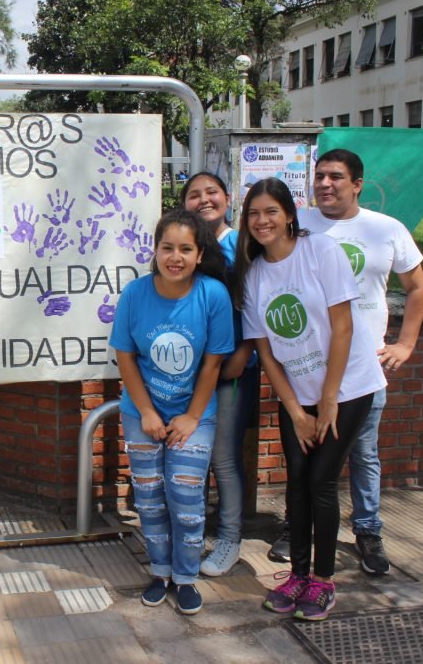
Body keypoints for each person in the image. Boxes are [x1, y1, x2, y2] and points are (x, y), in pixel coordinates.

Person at [235, 178, 386, 621]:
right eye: (253, 214)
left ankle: (323, 581)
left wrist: (329, 398)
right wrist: (296, 411)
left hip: (349, 387)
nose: (262, 221)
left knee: (321, 480)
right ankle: (298, 575)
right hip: (298, 396)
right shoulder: (254, 274)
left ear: (289, 215)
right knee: (297, 481)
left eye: (271, 211)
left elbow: (343, 327)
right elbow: (266, 352)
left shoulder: (320, 251)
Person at [295, 148, 423, 575]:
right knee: (307, 455)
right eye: (319, 176)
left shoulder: (385, 229)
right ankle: (298, 528)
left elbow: (417, 287)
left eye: (335, 176)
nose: (324, 184)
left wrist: (405, 344)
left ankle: (368, 530)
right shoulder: (299, 224)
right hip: (308, 366)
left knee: (363, 454)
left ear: (357, 184)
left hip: (362, 370)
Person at [109, 209, 234, 616]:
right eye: (167, 248)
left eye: (185, 249)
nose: (175, 257)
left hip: (193, 414)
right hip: (141, 412)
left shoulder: (213, 295)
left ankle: (185, 577)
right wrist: (146, 411)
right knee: (148, 499)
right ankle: (160, 572)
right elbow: (125, 357)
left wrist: (192, 417)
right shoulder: (135, 293)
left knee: (185, 496)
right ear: (155, 250)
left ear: (200, 255)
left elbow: (213, 363)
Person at [180, 173, 260, 577]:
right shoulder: (184, 247)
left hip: (232, 372)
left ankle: (230, 538)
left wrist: (244, 352)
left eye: (211, 192)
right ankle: (192, 535)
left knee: (224, 458)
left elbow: (257, 306)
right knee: (190, 454)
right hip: (190, 372)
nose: (204, 200)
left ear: (227, 198)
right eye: (194, 195)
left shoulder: (243, 246)